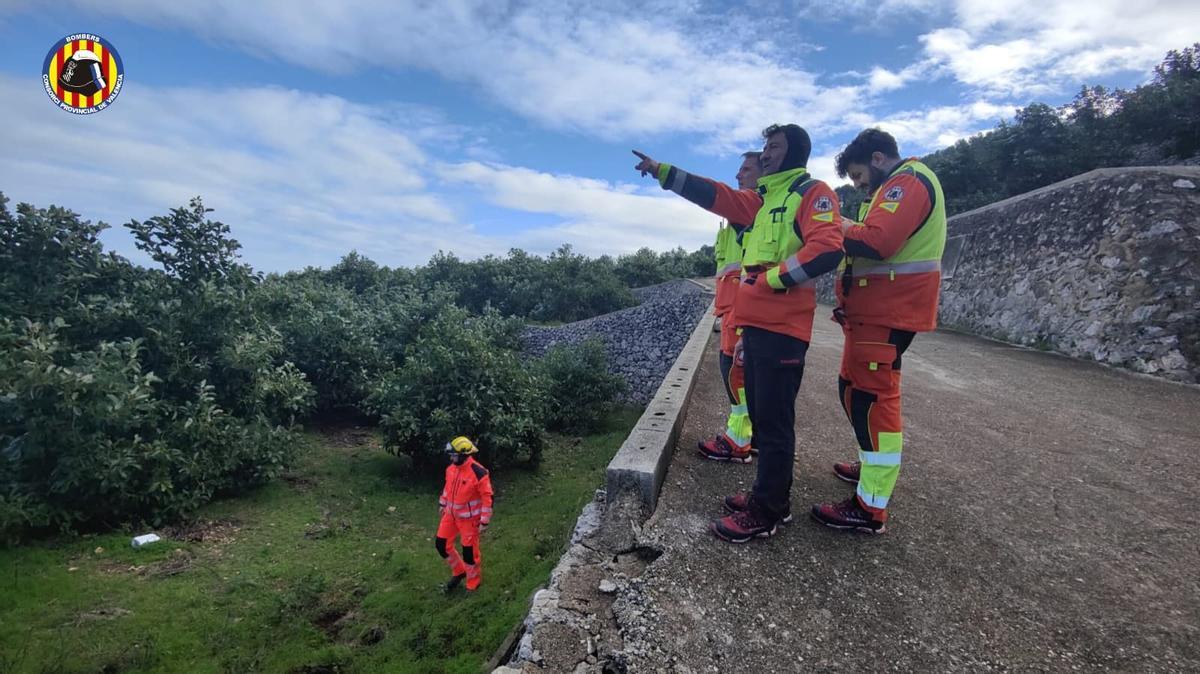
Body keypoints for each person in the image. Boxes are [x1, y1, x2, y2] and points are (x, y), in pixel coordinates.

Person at [634, 123, 844, 543]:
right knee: (763, 420)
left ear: (795, 151)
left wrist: (772, 280)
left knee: (774, 424)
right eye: (764, 147)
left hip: (784, 329)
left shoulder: (810, 193)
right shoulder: (763, 201)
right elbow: (715, 195)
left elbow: (827, 248)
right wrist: (663, 172)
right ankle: (770, 497)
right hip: (757, 326)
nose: (765, 153)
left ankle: (767, 512)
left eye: (774, 146)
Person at [811, 128, 946, 534]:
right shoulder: (894, 188)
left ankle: (870, 507)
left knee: (873, 400)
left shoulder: (907, 182)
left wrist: (834, 225)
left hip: (889, 312)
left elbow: (878, 242)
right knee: (852, 390)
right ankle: (870, 465)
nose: (857, 185)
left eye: (857, 175)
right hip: (871, 314)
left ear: (877, 158)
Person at [697, 151, 762, 464]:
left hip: (741, 307)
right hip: (730, 307)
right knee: (740, 372)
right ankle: (753, 436)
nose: (738, 175)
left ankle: (738, 441)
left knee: (735, 373)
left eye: (746, 169)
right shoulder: (737, 219)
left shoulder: (751, 208)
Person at [436, 436, 494, 591]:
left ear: (463, 455)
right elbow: (448, 488)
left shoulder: (479, 472)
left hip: (469, 520)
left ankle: (473, 582)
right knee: (441, 545)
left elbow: (487, 497)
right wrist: (443, 502)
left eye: (453, 455)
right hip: (450, 516)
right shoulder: (451, 469)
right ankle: (459, 571)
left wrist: (484, 521)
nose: (451, 458)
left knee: (469, 553)